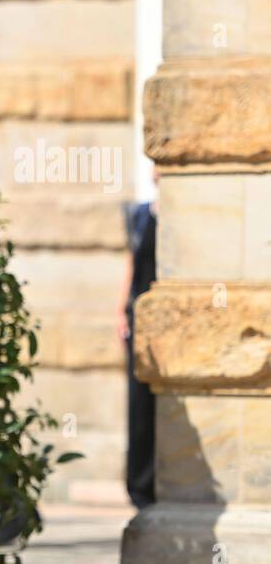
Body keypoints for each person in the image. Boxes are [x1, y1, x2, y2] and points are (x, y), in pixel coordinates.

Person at [118, 189, 157, 509]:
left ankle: (162, 483)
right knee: (139, 406)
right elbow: (132, 263)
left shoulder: (182, 215)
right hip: (140, 321)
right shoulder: (142, 214)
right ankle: (139, 487)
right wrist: (120, 312)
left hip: (172, 320)